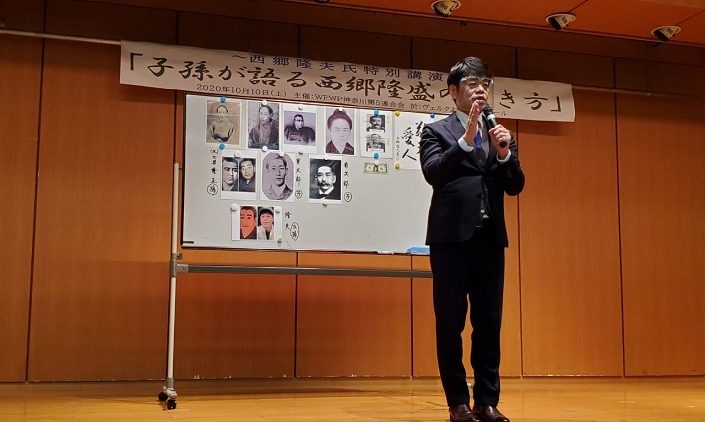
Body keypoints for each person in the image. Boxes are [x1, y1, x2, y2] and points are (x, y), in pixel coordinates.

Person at [419, 57, 525, 422]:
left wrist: (505, 153)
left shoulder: (499, 133)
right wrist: (465, 140)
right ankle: (458, 403)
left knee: (489, 323)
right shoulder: (436, 131)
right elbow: (433, 173)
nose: (481, 89)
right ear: (454, 91)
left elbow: (515, 185)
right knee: (450, 323)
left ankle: (486, 401)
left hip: (490, 240)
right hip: (450, 241)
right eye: (472, 83)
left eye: (485, 83)